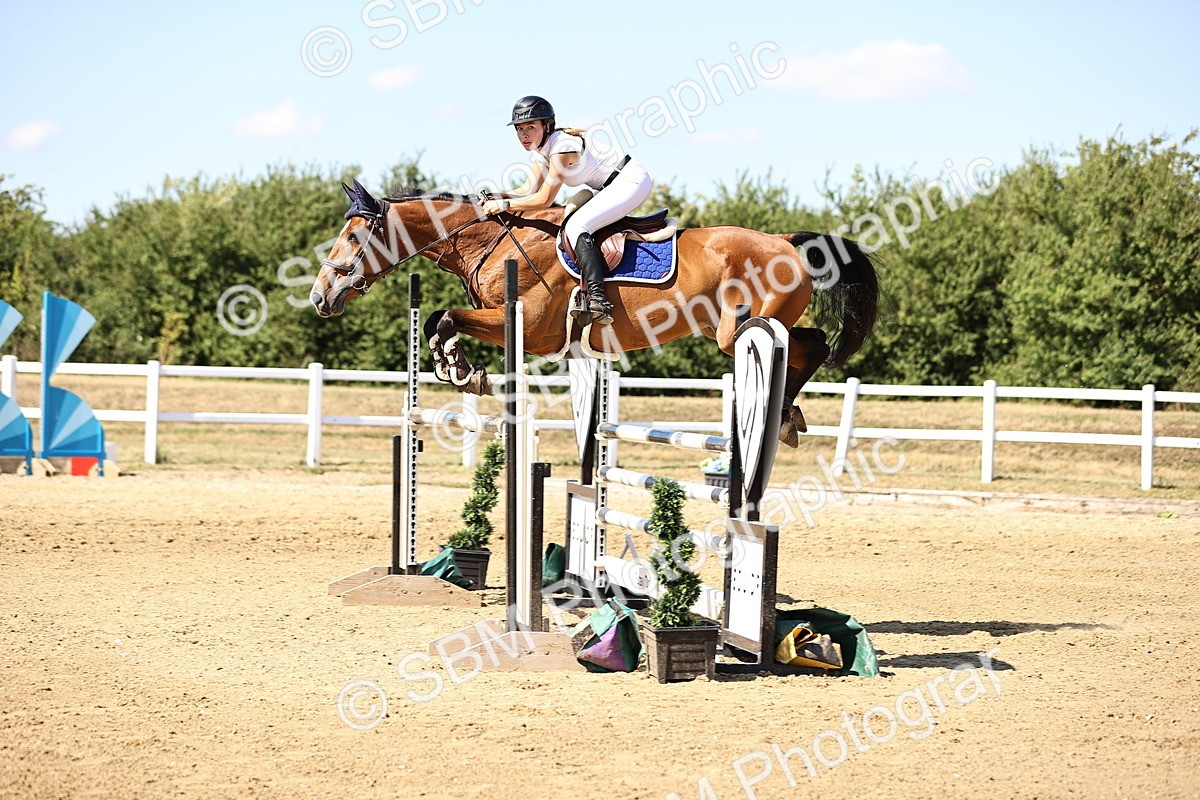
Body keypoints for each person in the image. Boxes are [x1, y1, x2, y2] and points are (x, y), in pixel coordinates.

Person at [481, 95, 652, 325]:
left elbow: (543, 199)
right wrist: (493, 196)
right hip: (609, 187)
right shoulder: (543, 149)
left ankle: (598, 299)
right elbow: (527, 188)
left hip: (630, 182)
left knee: (576, 226)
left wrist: (504, 205)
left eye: (530, 127)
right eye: (519, 129)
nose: (524, 135)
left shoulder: (562, 148)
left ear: (547, 126)